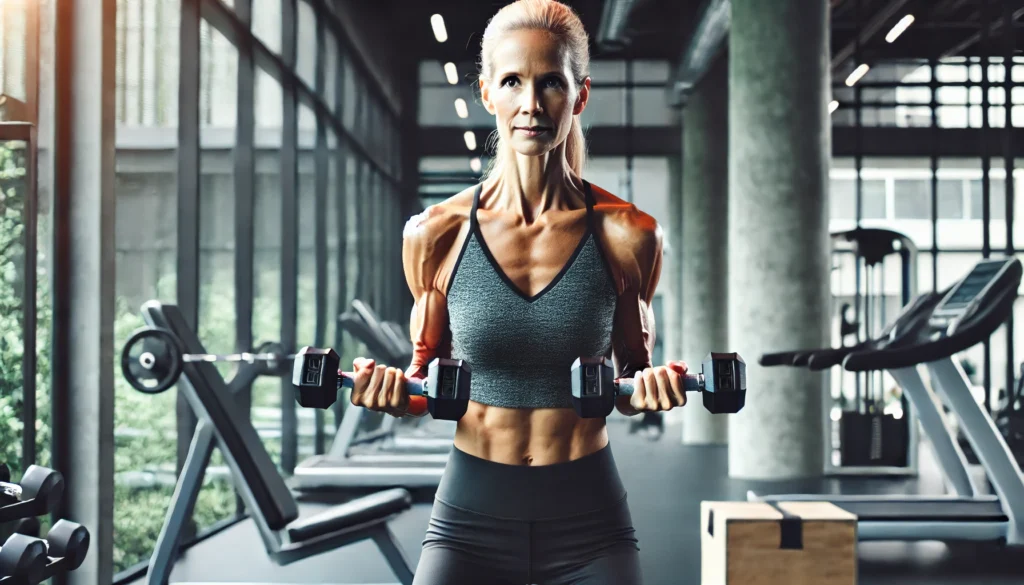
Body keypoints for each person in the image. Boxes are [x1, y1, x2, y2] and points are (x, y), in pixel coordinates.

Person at [349, 1, 687, 583]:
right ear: (488, 94)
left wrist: (653, 389)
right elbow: (428, 386)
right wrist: (387, 390)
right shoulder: (437, 234)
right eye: (513, 82)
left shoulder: (629, 234)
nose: (531, 105)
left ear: (578, 96)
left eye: (551, 83)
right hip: (470, 515)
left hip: (590, 516)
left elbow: (629, 385)